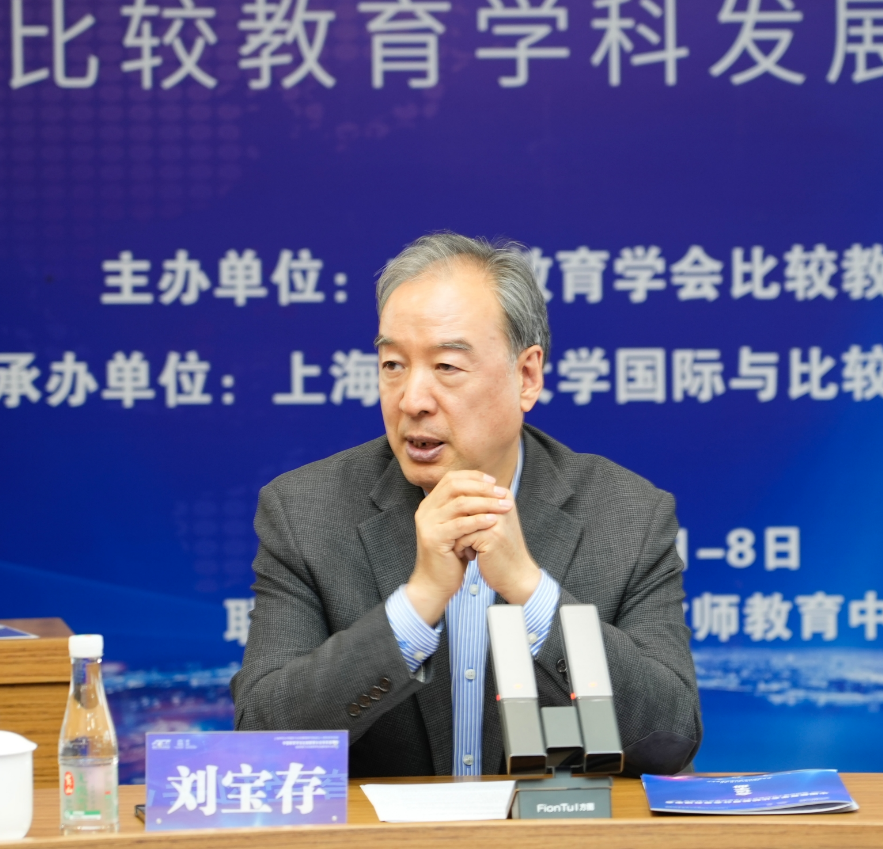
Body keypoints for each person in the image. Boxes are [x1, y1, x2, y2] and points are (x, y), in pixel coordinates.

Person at [231, 233, 701, 777]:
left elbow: (671, 739)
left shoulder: (628, 517)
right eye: (393, 365)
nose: (412, 400)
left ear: (526, 377)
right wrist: (417, 603)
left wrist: (532, 591)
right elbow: (261, 737)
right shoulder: (305, 513)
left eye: (447, 367)